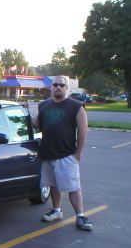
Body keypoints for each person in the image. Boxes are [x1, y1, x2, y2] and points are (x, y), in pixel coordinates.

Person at [32, 76, 92, 230]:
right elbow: (38, 125)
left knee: (73, 187)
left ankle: (80, 217)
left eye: (62, 85)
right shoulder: (44, 105)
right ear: (51, 87)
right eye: (55, 85)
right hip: (47, 154)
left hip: (66, 154)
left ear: (66, 88)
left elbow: (83, 131)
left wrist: (78, 152)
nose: (58, 87)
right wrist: (24, 112)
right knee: (53, 185)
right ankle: (56, 210)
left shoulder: (76, 106)